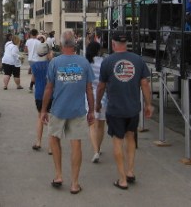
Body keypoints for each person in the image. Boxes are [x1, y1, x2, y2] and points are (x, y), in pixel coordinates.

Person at [96, 29, 153, 190]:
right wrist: (149, 104)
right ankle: (130, 171)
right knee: (130, 138)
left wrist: (97, 103)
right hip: (133, 108)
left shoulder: (107, 62)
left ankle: (122, 179)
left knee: (117, 141)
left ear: (113, 44)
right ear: (126, 43)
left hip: (115, 109)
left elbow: (101, 86)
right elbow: (145, 84)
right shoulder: (138, 60)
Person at [40, 29, 95, 194]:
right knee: (76, 143)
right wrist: (91, 110)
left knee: (54, 139)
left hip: (58, 109)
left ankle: (58, 175)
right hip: (78, 111)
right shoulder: (84, 63)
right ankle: (75, 183)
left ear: (61, 44)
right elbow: (89, 89)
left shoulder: (55, 63)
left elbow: (49, 88)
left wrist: (43, 110)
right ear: (75, 44)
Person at [86, 40, 107, 163]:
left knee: (92, 124)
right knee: (101, 124)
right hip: (104, 95)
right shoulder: (104, 62)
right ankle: (98, 148)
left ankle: (95, 151)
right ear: (99, 50)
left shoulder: (86, 63)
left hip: (89, 96)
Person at [31, 42, 52, 152]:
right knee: (52, 119)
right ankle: (51, 147)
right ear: (48, 53)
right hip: (52, 94)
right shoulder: (52, 64)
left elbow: (33, 80)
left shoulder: (34, 65)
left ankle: (38, 142)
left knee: (40, 117)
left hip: (39, 94)